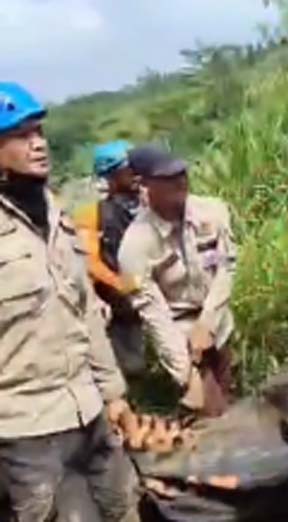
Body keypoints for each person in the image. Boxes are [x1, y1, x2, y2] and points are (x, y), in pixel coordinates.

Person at [0, 82, 139, 521]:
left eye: (39, 131)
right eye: (21, 135)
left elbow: (84, 314)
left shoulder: (55, 213)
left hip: (90, 409)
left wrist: (114, 393)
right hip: (26, 429)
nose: (38, 144)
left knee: (123, 508)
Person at [119, 145, 237, 418]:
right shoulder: (135, 245)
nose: (180, 181)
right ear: (144, 185)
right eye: (168, 178)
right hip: (179, 333)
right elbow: (153, 314)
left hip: (217, 321)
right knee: (209, 409)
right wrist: (186, 373)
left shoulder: (213, 212)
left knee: (228, 402)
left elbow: (226, 268)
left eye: (182, 173)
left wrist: (207, 324)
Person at [74, 140, 146, 378]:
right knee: (132, 367)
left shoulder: (153, 202)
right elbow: (90, 262)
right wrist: (122, 286)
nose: (137, 173)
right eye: (129, 168)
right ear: (112, 175)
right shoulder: (91, 215)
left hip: (161, 292)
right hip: (121, 302)